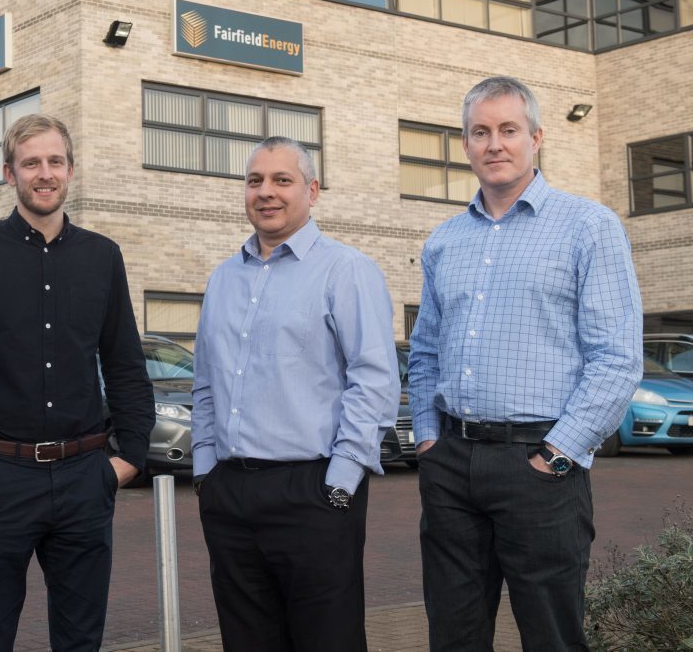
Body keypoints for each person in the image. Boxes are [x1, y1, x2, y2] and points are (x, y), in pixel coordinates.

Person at [408, 76, 643, 651]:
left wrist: (558, 455)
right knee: (453, 635)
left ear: (536, 138)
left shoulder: (588, 227)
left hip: (540, 465)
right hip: (451, 464)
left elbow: (616, 358)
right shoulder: (444, 241)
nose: (494, 144)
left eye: (508, 130)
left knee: (552, 637)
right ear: (464, 144)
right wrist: (427, 438)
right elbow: (425, 351)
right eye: (480, 132)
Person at [0, 113, 154, 651]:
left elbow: (124, 366)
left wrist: (128, 458)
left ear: (70, 169)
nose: (43, 173)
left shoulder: (103, 257)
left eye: (54, 161)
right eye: (31, 163)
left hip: (84, 480)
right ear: (9, 173)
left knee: (80, 641)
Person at [191, 136, 401, 652]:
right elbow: (205, 381)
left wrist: (341, 481)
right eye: (255, 180)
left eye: (282, 180)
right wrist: (203, 471)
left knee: (327, 641)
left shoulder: (346, 270)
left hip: (315, 491)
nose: (266, 192)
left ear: (312, 190)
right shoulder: (223, 279)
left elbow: (374, 379)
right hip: (231, 493)